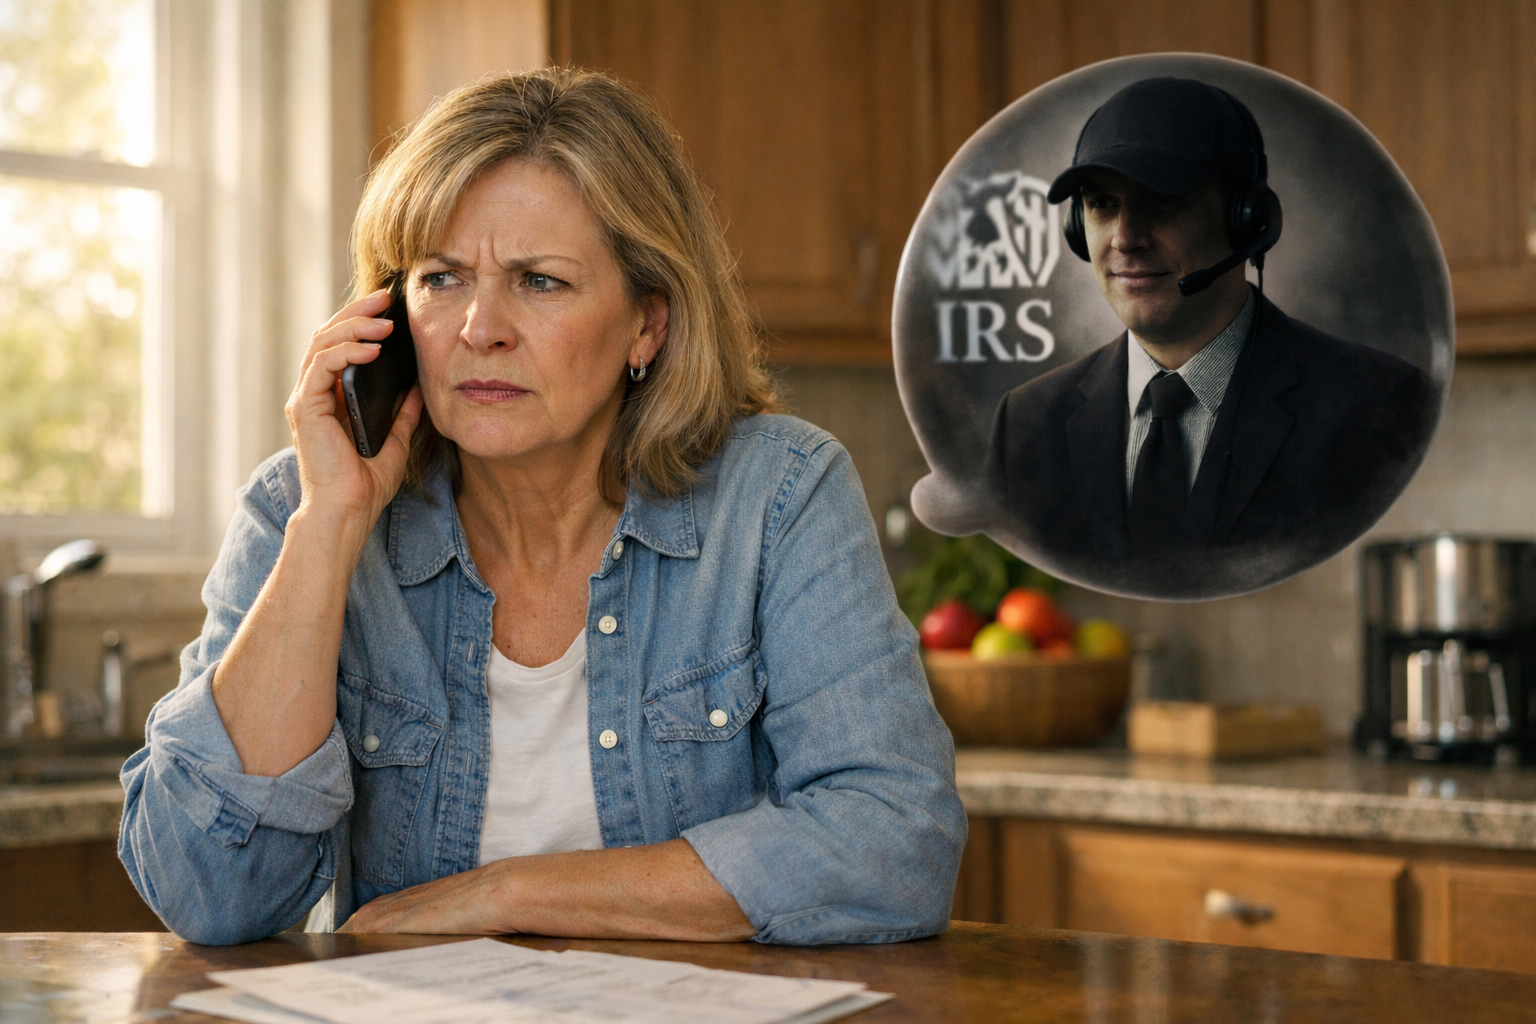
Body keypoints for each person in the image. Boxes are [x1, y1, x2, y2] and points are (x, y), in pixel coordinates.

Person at [119, 68, 965, 946]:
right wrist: (330, 526)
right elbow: (209, 895)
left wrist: (505, 895)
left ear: (648, 324)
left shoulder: (778, 496)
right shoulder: (301, 506)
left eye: (540, 281)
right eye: (441, 279)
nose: (480, 327)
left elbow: (895, 843)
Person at [984, 78, 1437, 585]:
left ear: (1247, 219)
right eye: (1102, 204)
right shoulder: (1025, 425)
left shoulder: (1377, 407)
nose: (1126, 238)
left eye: (1162, 200)